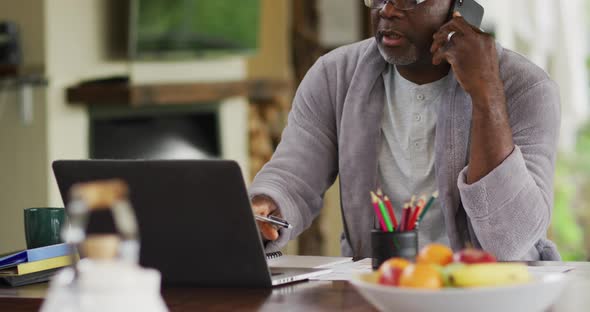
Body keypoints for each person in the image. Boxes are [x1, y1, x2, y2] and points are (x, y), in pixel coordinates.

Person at [249, 0, 561, 260]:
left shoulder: (526, 87)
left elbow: (512, 240)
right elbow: (293, 176)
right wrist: (266, 207)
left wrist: (487, 95)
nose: (387, 10)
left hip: (494, 294)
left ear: (460, 7)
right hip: (377, 291)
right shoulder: (334, 75)